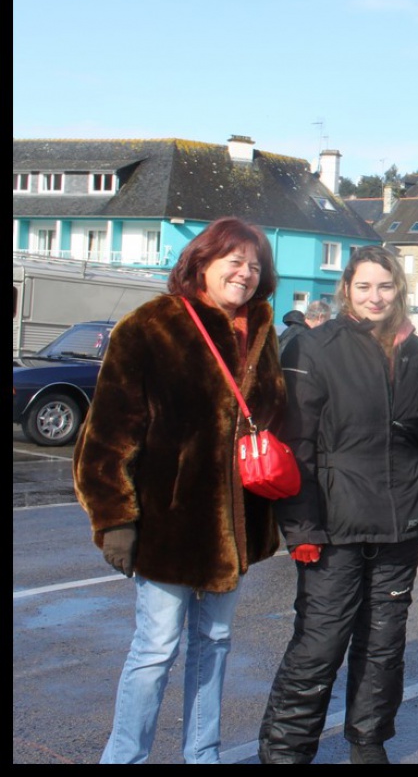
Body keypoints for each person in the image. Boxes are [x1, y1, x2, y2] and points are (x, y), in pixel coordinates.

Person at [72, 217, 285, 764]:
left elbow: (276, 414)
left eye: (254, 265)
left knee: (214, 645)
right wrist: (115, 518)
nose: (245, 273)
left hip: (234, 526)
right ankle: (124, 757)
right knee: (156, 648)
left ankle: (203, 754)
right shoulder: (150, 326)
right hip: (167, 520)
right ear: (202, 262)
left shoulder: (260, 330)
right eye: (234, 261)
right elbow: (108, 433)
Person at [258, 245, 418, 765]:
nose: (375, 296)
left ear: (398, 289)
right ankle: (285, 751)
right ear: (346, 290)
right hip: (333, 526)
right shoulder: (313, 347)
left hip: (399, 521)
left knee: (384, 643)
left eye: (385, 286)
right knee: (319, 645)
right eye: (364, 287)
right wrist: (302, 529)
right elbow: (297, 445)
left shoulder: (413, 349)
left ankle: (368, 739)